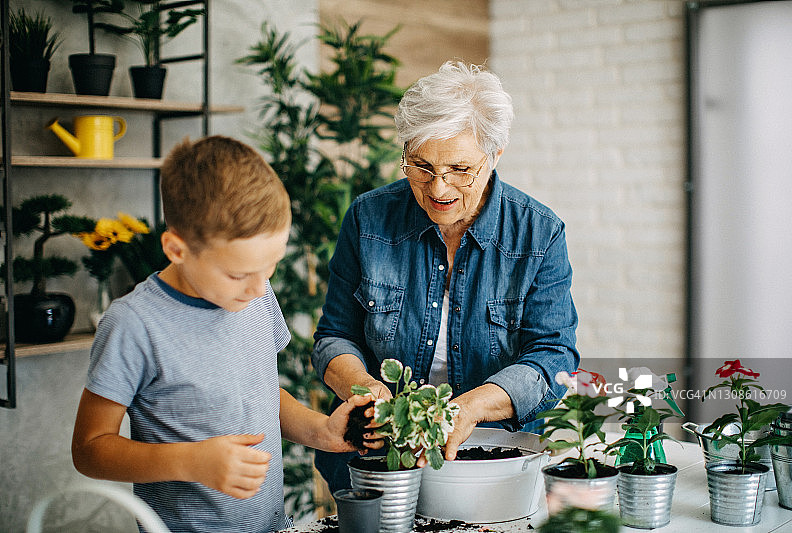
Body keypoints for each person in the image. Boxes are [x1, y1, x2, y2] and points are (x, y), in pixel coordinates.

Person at [71, 136, 379, 532]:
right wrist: (191, 462)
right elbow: (89, 449)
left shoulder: (255, 295)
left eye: (270, 267)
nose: (256, 289)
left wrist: (321, 431)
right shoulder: (134, 325)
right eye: (237, 274)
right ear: (176, 249)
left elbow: (260, 394)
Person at [311, 61, 580, 492]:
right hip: (377, 456)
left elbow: (552, 359)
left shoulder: (539, 234)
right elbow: (334, 337)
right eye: (420, 166)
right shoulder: (368, 218)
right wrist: (364, 388)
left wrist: (470, 408)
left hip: (492, 459)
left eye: (460, 169)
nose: (438, 189)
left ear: (495, 155)